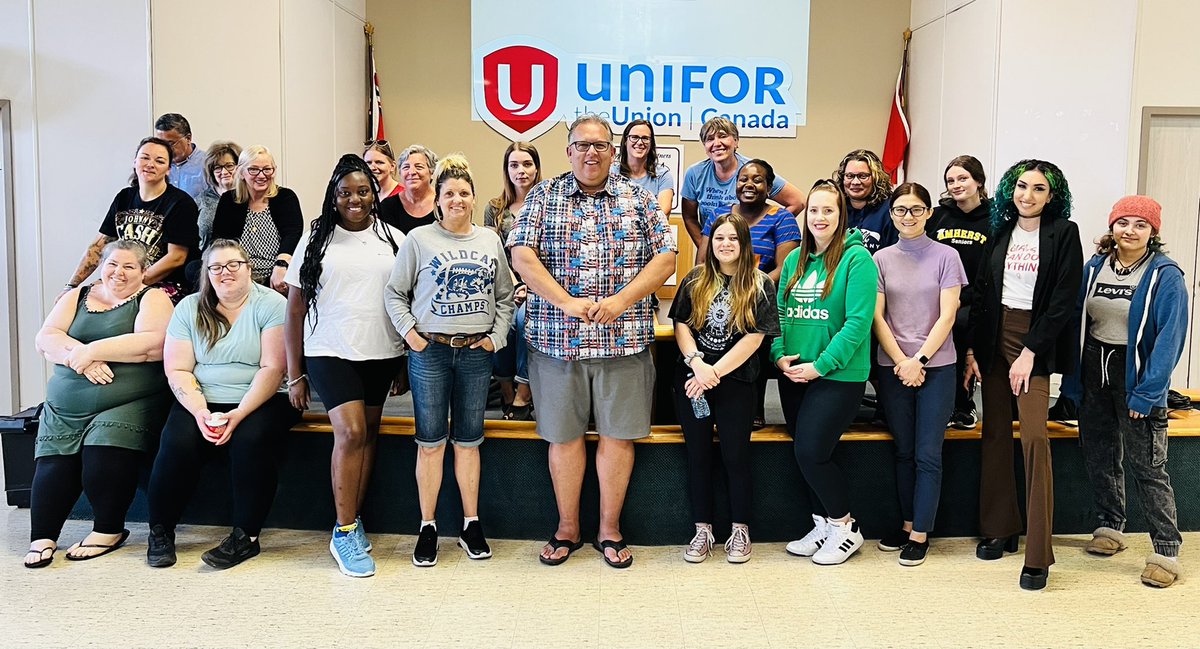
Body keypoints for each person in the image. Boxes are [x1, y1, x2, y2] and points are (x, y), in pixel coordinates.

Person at [509, 114, 676, 569]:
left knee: (618, 438)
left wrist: (622, 301)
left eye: (600, 145)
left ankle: (609, 528)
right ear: (568, 151)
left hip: (624, 342)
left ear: (613, 150)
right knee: (563, 439)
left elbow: (666, 258)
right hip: (556, 342)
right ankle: (567, 528)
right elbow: (521, 254)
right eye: (582, 145)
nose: (591, 153)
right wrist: (565, 301)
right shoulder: (543, 196)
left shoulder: (638, 197)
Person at [386, 155, 515, 567]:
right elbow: (394, 293)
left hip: (476, 353)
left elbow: (506, 297)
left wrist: (496, 337)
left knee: (469, 441)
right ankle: (427, 526)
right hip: (431, 351)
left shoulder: (490, 240)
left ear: (474, 197)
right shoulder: (419, 240)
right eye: (449, 194)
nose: (457, 199)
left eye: (464, 193)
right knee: (429, 442)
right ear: (437, 200)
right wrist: (411, 336)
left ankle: (470, 524)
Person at [284, 154, 405, 578]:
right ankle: (344, 529)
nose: (354, 199)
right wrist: (294, 372)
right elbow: (295, 308)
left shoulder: (393, 237)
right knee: (351, 431)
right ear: (333, 198)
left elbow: (404, 300)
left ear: (375, 194)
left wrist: (404, 359)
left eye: (362, 191)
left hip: (382, 351)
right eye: (345, 193)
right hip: (329, 349)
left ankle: (354, 518)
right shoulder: (316, 237)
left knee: (369, 434)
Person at [146, 240, 301, 570]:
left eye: (233, 265)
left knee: (250, 440)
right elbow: (177, 369)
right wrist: (201, 412)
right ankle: (160, 531)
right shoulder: (189, 307)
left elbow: (273, 368)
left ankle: (246, 537)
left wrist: (238, 414)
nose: (225, 273)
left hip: (265, 395)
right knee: (176, 441)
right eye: (216, 267)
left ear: (248, 268)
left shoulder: (272, 304)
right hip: (202, 396)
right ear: (207, 273)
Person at [964, 159, 1082, 591]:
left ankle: (1038, 554)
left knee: (1034, 437)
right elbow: (980, 293)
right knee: (994, 432)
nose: (1027, 195)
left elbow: (1065, 300)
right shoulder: (999, 230)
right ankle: (999, 527)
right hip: (995, 337)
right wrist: (974, 349)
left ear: (1052, 196)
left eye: (1038, 189)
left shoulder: (1063, 233)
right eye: (1021, 186)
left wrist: (1031, 351)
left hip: (1037, 340)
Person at [1060, 196, 1188, 588]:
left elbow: (1170, 338)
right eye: (1123, 222)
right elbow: (1077, 322)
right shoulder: (1095, 267)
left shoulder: (1165, 275)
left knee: (1147, 466)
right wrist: (1073, 381)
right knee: (1100, 455)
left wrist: (1148, 392)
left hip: (1136, 375)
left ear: (1153, 232)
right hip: (1094, 367)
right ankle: (1111, 527)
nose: (1130, 230)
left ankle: (1166, 550)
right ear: (1112, 226)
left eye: (1140, 225)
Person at [26, 240, 173, 568]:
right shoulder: (76, 296)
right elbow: (46, 337)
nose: (118, 273)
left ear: (143, 271)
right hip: (65, 404)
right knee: (52, 465)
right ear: (100, 266)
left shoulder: (154, 298)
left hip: (127, 401)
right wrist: (83, 360)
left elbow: (152, 345)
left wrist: (91, 350)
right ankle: (43, 536)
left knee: (101, 454)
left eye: (129, 267)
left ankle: (108, 530)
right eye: (112, 265)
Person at [774, 179, 877, 566]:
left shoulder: (857, 260)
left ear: (841, 215)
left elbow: (857, 323)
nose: (819, 217)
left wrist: (820, 366)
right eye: (813, 210)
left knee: (811, 452)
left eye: (828, 210)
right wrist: (780, 356)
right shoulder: (794, 260)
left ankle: (846, 527)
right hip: (795, 373)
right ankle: (823, 525)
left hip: (837, 375)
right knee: (806, 456)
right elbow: (781, 315)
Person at [671, 213, 778, 564]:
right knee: (698, 456)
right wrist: (697, 364)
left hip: (738, 382)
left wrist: (714, 371)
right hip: (694, 381)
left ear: (744, 244)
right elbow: (682, 325)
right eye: (719, 238)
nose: (726, 244)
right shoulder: (694, 279)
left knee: (736, 456)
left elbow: (755, 338)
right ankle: (703, 529)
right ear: (710, 243)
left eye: (733, 238)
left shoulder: (760, 284)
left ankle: (739, 529)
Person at [872, 183, 967, 566]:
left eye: (915, 210)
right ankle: (907, 521)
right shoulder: (879, 259)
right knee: (904, 451)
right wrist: (900, 361)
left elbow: (949, 315)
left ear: (929, 213)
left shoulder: (947, 256)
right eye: (900, 210)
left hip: (937, 366)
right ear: (891, 214)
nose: (907, 217)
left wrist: (919, 360)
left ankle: (921, 533)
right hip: (893, 366)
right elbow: (877, 316)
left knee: (928, 453)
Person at [697, 158, 801, 429]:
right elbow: (702, 262)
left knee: (753, 359)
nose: (749, 184)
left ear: (769, 186)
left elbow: (785, 268)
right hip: (716, 300)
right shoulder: (721, 215)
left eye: (757, 180)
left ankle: (753, 408)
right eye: (743, 178)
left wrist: (745, 289)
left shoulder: (782, 218)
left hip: (758, 302)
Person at [64, 137, 200, 303]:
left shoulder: (181, 203)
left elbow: (176, 257)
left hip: (163, 286)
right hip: (124, 280)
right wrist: (71, 286)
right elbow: (98, 246)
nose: (150, 164)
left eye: (159, 161)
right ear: (135, 162)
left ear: (168, 169)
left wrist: (129, 284)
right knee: (76, 302)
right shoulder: (124, 197)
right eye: (145, 157)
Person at [926, 155, 992, 430]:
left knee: (961, 329)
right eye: (950, 180)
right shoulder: (939, 215)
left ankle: (963, 405)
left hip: (975, 299)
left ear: (978, 181)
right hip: (938, 295)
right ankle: (934, 404)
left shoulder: (995, 218)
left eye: (962, 178)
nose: (955, 185)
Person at [680, 117, 805, 248]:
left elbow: (798, 201)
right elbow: (689, 217)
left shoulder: (752, 171)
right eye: (709, 139)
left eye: (722, 136)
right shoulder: (695, 174)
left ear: (736, 141)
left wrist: (766, 231)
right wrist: (706, 248)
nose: (716, 143)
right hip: (718, 251)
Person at [484, 142, 541, 420]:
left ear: (537, 168)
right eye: (514, 165)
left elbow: (552, 257)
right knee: (500, 323)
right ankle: (506, 391)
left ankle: (523, 393)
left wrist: (530, 287)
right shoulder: (495, 210)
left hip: (538, 290)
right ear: (507, 170)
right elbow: (491, 255)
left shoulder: (548, 204)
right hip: (504, 288)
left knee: (522, 320)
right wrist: (512, 288)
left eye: (527, 164)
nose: (521, 171)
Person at [210, 145, 303, 293]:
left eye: (267, 169)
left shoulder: (286, 197)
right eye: (253, 169)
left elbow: (292, 234)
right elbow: (220, 239)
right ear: (241, 172)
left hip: (276, 272)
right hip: (238, 273)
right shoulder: (229, 200)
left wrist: (281, 265)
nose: (261, 175)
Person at [834, 149, 898, 255]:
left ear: (876, 178)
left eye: (863, 176)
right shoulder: (835, 208)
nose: (855, 182)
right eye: (849, 176)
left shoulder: (890, 210)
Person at [614, 119, 675, 216]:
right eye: (634, 137)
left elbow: (663, 212)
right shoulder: (611, 173)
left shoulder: (663, 175)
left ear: (651, 143)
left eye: (645, 138)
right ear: (625, 141)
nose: (639, 142)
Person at [379, 144, 438, 234]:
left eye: (419, 167)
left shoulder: (443, 203)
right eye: (406, 167)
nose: (412, 172)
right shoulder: (387, 206)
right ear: (400, 173)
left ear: (432, 172)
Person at [197, 141, 243, 249]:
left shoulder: (249, 196)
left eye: (229, 166)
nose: (224, 172)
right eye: (217, 167)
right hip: (207, 260)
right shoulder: (201, 200)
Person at [155, 113, 207, 202]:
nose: (166, 149)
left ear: (188, 138)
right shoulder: (157, 164)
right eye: (161, 144)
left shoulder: (207, 163)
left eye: (171, 144)